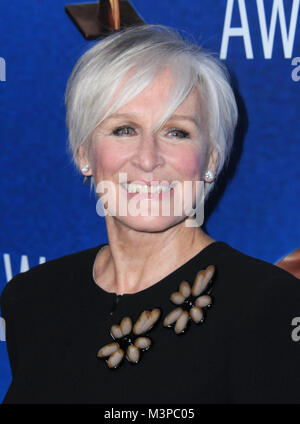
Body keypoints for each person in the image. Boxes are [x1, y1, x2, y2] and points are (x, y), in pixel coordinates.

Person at [1, 25, 299, 404]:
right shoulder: (32, 298)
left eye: (176, 132)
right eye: (124, 129)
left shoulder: (269, 305)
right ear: (83, 153)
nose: (147, 159)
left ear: (210, 159)